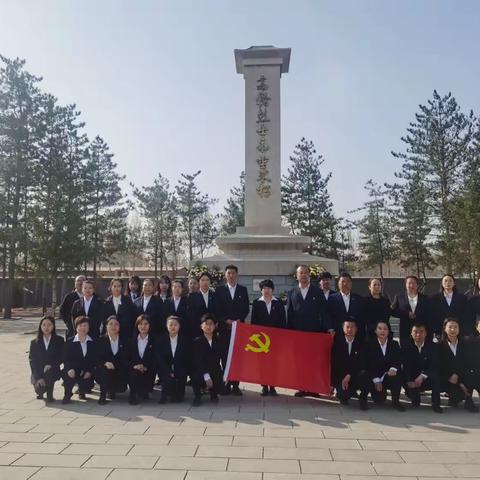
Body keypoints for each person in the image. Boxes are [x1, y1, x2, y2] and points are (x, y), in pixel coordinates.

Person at [287, 265, 330, 397]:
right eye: (301, 273)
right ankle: (302, 387)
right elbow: (290, 313)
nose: (304, 275)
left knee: (313, 361)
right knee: (300, 361)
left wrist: (327, 328)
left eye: (306, 273)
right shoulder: (292, 292)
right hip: (298, 333)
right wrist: (289, 332)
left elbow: (324, 312)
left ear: (309, 275)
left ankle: (313, 388)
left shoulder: (317, 292)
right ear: (297, 275)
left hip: (314, 332)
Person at [215, 265, 249, 396]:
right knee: (224, 356)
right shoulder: (219, 291)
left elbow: (246, 307)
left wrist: (239, 319)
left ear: (237, 275)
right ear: (225, 275)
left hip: (239, 330)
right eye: (228, 273)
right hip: (224, 330)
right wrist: (225, 320)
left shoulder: (243, 290)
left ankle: (236, 385)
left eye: (233, 273)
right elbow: (217, 309)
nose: (231, 275)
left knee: (237, 357)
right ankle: (227, 382)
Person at [251, 279, 286, 396]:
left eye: (269, 288)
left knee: (274, 363)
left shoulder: (278, 302)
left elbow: (282, 321)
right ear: (261, 290)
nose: (266, 290)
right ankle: (264, 386)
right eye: (264, 288)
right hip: (262, 341)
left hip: (275, 339)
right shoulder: (257, 303)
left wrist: (281, 337)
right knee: (263, 364)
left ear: (272, 290)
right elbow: (254, 322)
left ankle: (273, 386)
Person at [438, 317, 478, 412]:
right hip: (447, 377)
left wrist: (459, 379)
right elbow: (440, 365)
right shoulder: (440, 345)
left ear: (459, 329)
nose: (453, 330)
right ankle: (453, 397)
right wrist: (450, 376)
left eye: (456, 327)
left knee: (470, 374)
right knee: (456, 396)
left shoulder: (465, 343)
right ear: (444, 328)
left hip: (461, 375)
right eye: (450, 327)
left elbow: (467, 363)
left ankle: (468, 401)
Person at [402, 323, 443, 413]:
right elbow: (406, 367)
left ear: (426, 333)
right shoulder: (406, 347)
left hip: (427, 378)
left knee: (436, 376)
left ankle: (436, 404)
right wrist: (409, 381)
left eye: (421, 332)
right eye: (415, 332)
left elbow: (434, 365)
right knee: (414, 400)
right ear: (411, 333)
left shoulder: (433, 347)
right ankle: (414, 396)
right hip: (413, 379)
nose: (418, 335)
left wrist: (423, 376)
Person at [366, 321, 405, 412]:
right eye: (380, 329)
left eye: (385, 329)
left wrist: (393, 369)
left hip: (388, 376)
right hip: (375, 377)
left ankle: (396, 402)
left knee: (397, 375)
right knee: (379, 400)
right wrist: (376, 380)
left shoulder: (394, 344)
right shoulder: (369, 344)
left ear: (388, 331)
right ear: (375, 331)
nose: (382, 331)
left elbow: (398, 360)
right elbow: (368, 364)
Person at [331, 318, 369, 410]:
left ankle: (363, 398)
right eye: (347, 327)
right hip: (341, 377)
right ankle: (347, 393)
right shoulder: (337, 343)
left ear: (356, 329)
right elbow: (334, 364)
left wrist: (349, 375)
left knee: (365, 374)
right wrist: (331, 384)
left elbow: (361, 363)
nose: (350, 329)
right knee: (343, 395)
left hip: (355, 375)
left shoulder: (362, 343)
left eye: (352, 327)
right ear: (343, 328)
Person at [192, 313, 225, 406]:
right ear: (201, 326)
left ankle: (213, 394)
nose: (209, 326)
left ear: (215, 326)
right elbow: (197, 360)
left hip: (214, 369)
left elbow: (221, 357)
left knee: (218, 375)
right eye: (206, 324)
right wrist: (206, 376)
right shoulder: (197, 341)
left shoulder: (218, 340)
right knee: (196, 376)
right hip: (201, 369)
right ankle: (197, 396)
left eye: (211, 324)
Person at [29, 316, 64, 403]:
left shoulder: (59, 340)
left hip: (53, 369)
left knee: (49, 373)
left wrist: (51, 364)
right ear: (40, 327)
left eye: (49, 325)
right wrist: (39, 377)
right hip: (38, 371)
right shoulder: (34, 342)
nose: (46, 327)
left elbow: (62, 356)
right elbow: (32, 361)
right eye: (44, 325)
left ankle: (50, 395)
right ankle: (41, 391)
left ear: (53, 326)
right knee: (40, 389)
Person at [95, 316, 129, 405]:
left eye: (116, 324)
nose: (113, 326)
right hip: (105, 371)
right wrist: (105, 363)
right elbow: (96, 358)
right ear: (106, 326)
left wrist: (117, 366)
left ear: (120, 326)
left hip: (120, 371)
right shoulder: (100, 340)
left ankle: (130, 394)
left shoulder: (125, 341)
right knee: (104, 370)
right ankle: (102, 395)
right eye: (110, 324)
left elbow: (127, 358)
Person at [156, 316, 190, 404]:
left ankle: (178, 393)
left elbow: (186, 358)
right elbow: (160, 358)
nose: (173, 327)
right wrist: (168, 370)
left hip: (180, 368)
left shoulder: (184, 340)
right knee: (166, 377)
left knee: (178, 398)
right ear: (167, 326)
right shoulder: (161, 340)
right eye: (170, 325)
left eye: (175, 325)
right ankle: (165, 394)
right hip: (166, 368)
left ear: (179, 326)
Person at [62, 316, 96, 404]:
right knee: (68, 375)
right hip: (73, 369)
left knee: (87, 381)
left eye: (85, 325)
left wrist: (89, 371)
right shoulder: (70, 341)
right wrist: (69, 369)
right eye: (80, 325)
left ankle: (82, 390)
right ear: (76, 327)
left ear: (89, 327)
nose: (83, 328)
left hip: (86, 370)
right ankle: (67, 394)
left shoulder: (93, 342)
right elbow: (66, 358)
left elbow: (94, 359)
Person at [391, 275, 431, 345]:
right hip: (405, 331)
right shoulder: (399, 297)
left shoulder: (425, 298)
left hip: (421, 331)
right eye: (409, 283)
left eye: (414, 283)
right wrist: (406, 313)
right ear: (406, 285)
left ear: (417, 285)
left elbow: (429, 313)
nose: (411, 285)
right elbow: (393, 311)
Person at [128, 314, 156, 405]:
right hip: (134, 370)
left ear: (150, 325)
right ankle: (132, 394)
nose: (143, 326)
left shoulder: (155, 340)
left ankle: (144, 390)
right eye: (140, 324)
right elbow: (127, 357)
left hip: (148, 371)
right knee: (134, 374)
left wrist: (145, 366)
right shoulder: (131, 340)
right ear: (137, 325)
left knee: (144, 393)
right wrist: (135, 366)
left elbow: (156, 358)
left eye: (146, 324)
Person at [328, 272, 365, 337]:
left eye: (348, 282)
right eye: (343, 281)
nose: (345, 284)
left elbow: (361, 317)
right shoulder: (331, 298)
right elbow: (329, 315)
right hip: (337, 333)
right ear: (338, 283)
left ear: (351, 284)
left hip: (355, 334)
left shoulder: (358, 299)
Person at [188, 272, 216, 340]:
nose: (205, 282)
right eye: (202, 280)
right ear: (199, 282)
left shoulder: (215, 295)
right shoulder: (192, 297)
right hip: (197, 330)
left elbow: (217, 311)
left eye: (207, 280)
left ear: (210, 282)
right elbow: (191, 315)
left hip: (212, 329)